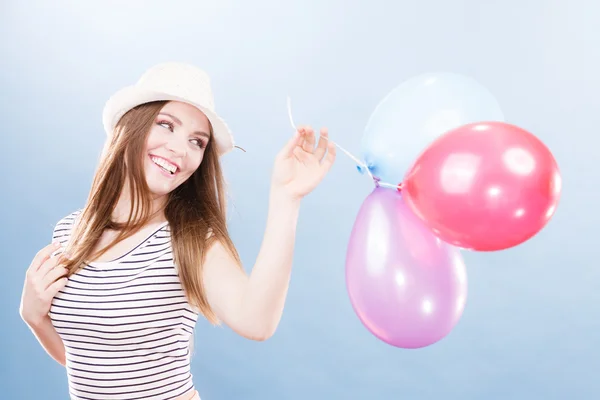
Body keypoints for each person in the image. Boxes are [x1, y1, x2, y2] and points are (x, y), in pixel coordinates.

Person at [19, 62, 336, 400]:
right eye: (166, 125)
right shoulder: (70, 230)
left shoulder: (190, 240)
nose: (180, 149)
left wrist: (286, 198)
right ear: (131, 126)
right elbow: (91, 363)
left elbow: (257, 321)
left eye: (196, 142)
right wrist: (33, 318)